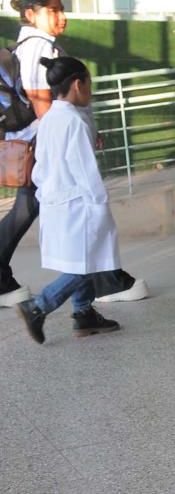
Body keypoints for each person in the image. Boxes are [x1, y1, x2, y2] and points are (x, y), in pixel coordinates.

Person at [1, 0, 145, 309]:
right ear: (30, 14)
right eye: (53, 10)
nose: (62, 17)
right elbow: (45, 109)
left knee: (35, 212)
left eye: (61, 9)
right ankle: (99, 283)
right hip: (41, 147)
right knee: (77, 217)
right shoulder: (37, 47)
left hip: (39, 146)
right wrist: (77, 132)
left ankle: (91, 300)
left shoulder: (41, 45)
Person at [13, 57, 123, 343]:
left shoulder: (49, 118)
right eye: (89, 84)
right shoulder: (73, 121)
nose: (91, 91)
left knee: (79, 259)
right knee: (90, 262)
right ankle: (38, 306)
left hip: (55, 199)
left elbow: (42, 166)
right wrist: (100, 203)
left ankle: (83, 313)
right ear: (78, 84)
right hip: (79, 202)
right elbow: (84, 170)